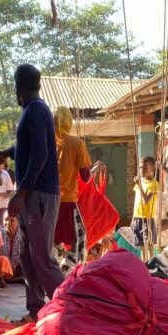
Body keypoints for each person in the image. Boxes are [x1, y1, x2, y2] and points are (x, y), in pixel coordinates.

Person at [0, 64, 63, 322]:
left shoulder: (36, 110)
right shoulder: (32, 111)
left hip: (38, 194)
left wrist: (21, 193)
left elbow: (40, 154)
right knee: (27, 254)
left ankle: (68, 310)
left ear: (18, 87)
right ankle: (35, 310)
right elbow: (28, 147)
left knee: (42, 256)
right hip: (32, 194)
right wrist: (8, 152)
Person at [53, 107, 92, 267]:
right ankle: (67, 270)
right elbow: (85, 176)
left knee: (52, 239)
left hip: (47, 202)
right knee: (80, 240)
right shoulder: (77, 143)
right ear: (69, 122)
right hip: (67, 200)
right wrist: (91, 170)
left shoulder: (46, 143)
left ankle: (54, 269)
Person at [132, 156, 161, 262]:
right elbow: (137, 201)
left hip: (147, 218)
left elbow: (146, 200)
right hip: (138, 217)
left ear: (153, 168)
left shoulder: (154, 184)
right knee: (141, 245)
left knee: (149, 244)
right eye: (140, 168)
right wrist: (133, 218)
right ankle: (144, 264)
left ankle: (151, 264)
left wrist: (140, 186)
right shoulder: (140, 182)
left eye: (145, 168)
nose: (142, 170)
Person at [0, 212, 24, 281]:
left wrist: (16, 264)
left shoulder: (24, 233)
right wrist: (8, 264)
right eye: (6, 220)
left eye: (12, 220)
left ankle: (12, 278)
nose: (8, 223)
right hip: (4, 266)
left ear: (18, 222)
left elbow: (27, 254)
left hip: (19, 266)